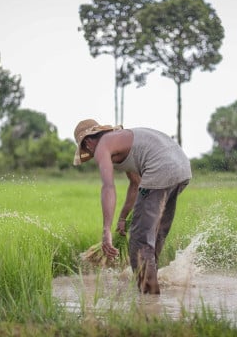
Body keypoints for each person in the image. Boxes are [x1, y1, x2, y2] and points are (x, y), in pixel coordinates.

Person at [73, 118, 192, 294]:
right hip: (182, 169)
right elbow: (136, 184)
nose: (89, 153)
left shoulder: (102, 147)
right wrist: (122, 218)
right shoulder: (120, 141)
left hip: (161, 168)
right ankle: (152, 282)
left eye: (85, 148)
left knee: (139, 241)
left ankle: (149, 298)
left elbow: (108, 187)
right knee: (155, 234)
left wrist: (106, 230)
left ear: (88, 142)